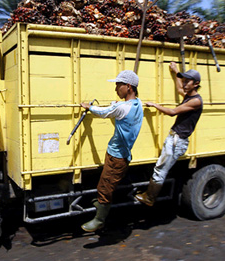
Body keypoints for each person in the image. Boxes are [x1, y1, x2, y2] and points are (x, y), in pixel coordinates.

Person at [80, 70, 143, 232]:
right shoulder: (138, 104)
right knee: (105, 182)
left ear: (128, 87)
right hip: (122, 155)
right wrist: (117, 105)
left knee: (105, 187)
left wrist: (89, 107)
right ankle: (100, 204)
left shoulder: (122, 108)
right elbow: (121, 109)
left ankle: (99, 220)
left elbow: (104, 112)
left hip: (117, 156)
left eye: (118, 86)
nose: (116, 89)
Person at [135, 62, 203, 206]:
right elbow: (179, 88)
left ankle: (150, 198)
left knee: (161, 169)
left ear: (196, 84)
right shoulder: (189, 96)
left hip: (177, 141)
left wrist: (155, 105)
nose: (184, 84)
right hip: (175, 138)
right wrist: (176, 71)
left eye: (188, 82)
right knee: (160, 167)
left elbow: (172, 112)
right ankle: (149, 196)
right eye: (184, 81)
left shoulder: (196, 101)